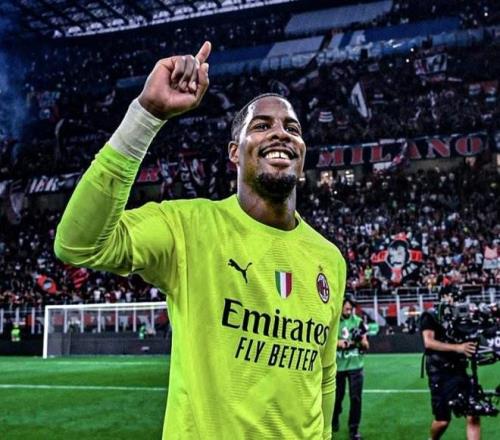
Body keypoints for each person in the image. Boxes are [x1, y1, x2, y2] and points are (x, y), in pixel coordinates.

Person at [54, 41, 347, 439]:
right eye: (262, 126)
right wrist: (147, 115)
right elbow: (78, 243)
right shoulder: (187, 226)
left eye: (291, 128)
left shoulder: (329, 258)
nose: (280, 133)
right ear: (234, 153)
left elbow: (324, 374)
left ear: (302, 153)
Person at [420, 286, 480, 440]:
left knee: (473, 412)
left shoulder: (461, 316)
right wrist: (458, 348)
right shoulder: (431, 315)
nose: (458, 301)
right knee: (442, 420)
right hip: (440, 370)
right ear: (444, 297)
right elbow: (428, 342)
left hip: (459, 368)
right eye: (455, 297)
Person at [332, 294, 369, 440]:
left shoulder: (359, 322)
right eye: (346, 308)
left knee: (356, 398)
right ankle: (334, 416)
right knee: (337, 397)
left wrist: (361, 340)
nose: (349, 310)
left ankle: (354, 429)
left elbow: (366, 345)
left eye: (350, 308)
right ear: (340, 307)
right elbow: (327, 341)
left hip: (356, 365)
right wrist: (339, 343)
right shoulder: (334, 322)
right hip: (339, 366)